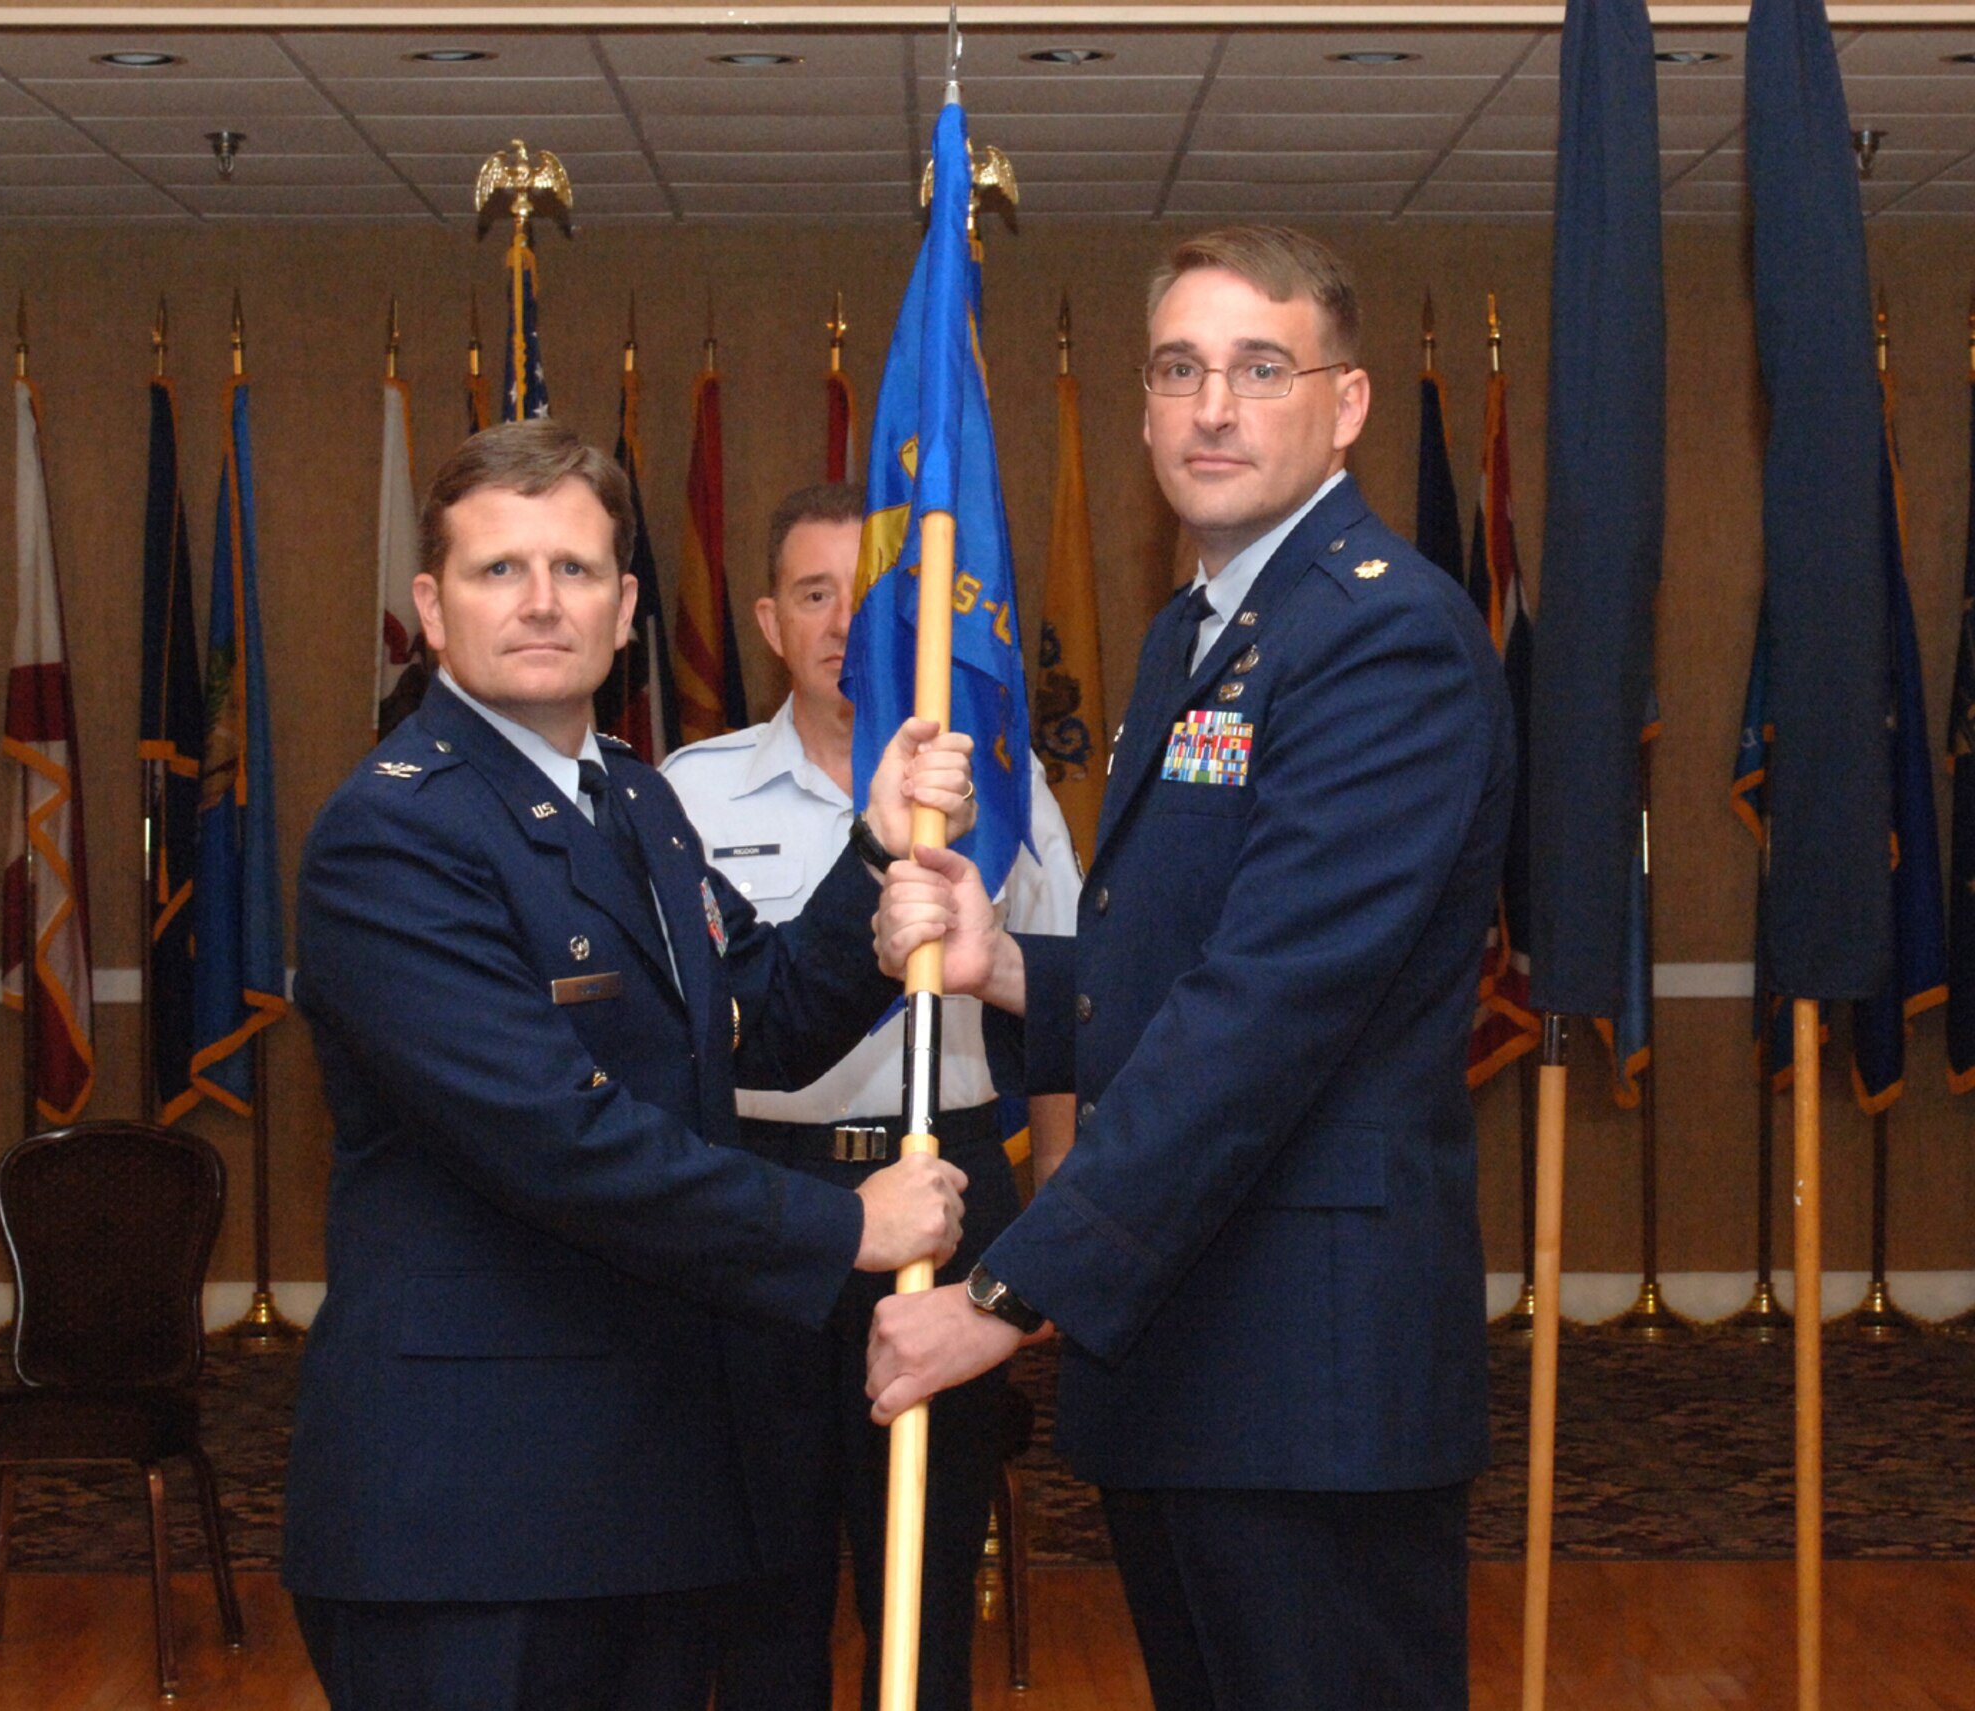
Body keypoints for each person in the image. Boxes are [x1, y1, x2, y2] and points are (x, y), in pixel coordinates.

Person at [865, 227, 1516, 1711]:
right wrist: (1009, 966)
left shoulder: (1379, 637)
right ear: (1145, 408)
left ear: (1344, 404)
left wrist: (1005, 1292)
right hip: (1192, 1359)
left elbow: (1269, 1012)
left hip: (1308, 1371)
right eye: (1179, 369)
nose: (1213, 405)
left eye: (1259, 367)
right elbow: (1197, 951)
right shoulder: (1198, 631)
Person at [283, 421, 977, 1711]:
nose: (541, 600)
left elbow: (753, 1015)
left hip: (643, 1488)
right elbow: (557, 1137)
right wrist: (841, 1224)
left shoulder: (634, 800)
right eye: (499, 571)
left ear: (624, 610)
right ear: (431, 609)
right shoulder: (393, 833)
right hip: (472, 1516)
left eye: (577, 570)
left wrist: (878, 860)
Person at [660, 482, 1080, 1711]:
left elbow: (1057, 1007)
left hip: (951, 1196)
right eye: (813, 594)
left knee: (926, 1572)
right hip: (756, 1199)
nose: (846, 620)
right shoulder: (690, 792)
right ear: (766, 620)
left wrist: (1054, 1199)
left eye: (875, 594)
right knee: (759, 1579)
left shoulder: (1002, 794)